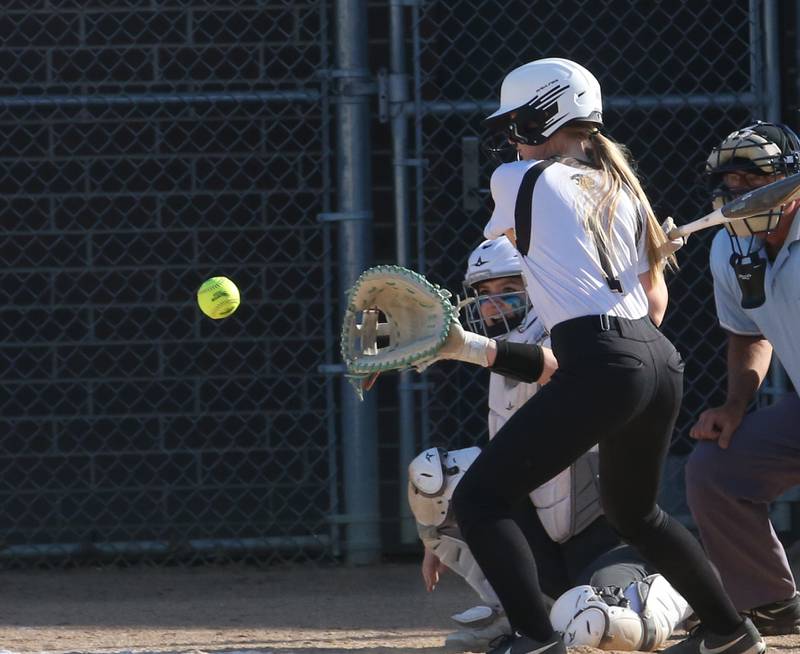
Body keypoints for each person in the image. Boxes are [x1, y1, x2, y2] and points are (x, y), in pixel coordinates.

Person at [416, 58, 765, 654]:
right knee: (637, 514)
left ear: (543, 116)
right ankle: (732, 634)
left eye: (516, 127)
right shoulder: (620, 188)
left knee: (479, 498)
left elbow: (500, 245)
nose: (512, 142)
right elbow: (654, 303)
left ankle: (536, 639)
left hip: (601, 359)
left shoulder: (517, 180)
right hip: (657, 361)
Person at [408, 237, 689, 652]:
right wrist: (451, 529)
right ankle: (514, 607)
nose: (492, 305)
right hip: (543, 536)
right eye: (484, 294)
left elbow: (561, 369)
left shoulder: (573, 330)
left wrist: (470, 348)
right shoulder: (501, 349)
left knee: (597, 626)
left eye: (507, 290)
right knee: (437, 475)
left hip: (604, 537)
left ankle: (672, 591)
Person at [685, 120, 800, 636]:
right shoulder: (730, 249)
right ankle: (772, 603)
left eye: (752, 182)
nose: (738, 196)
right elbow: (748, 334)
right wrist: (735, 407)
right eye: (729, 185)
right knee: (715, 469)